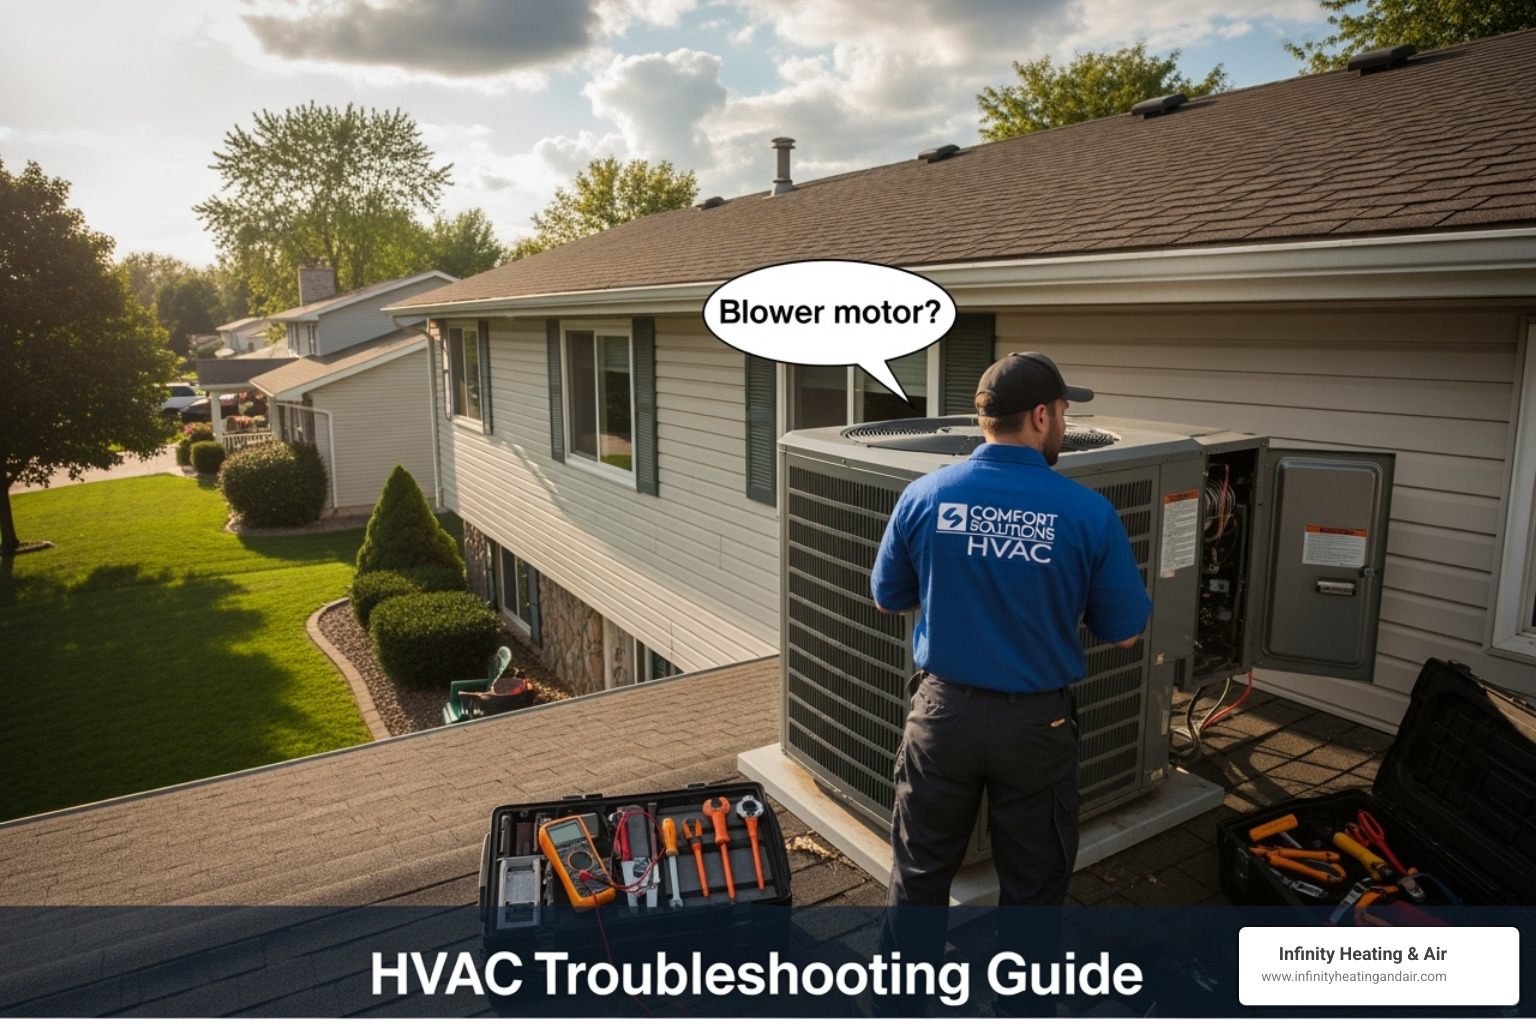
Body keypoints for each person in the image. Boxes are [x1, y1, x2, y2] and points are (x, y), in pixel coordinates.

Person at [867, 352, 1152, 1012]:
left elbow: (888, 597)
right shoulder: (1087, 512)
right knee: (1032, 888)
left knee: (918, 877)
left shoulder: (927, 493)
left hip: (941, 717)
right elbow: (1129, 631)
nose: (1065, 427)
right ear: (1041, 417)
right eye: (1064, 415)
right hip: (1037, 727)